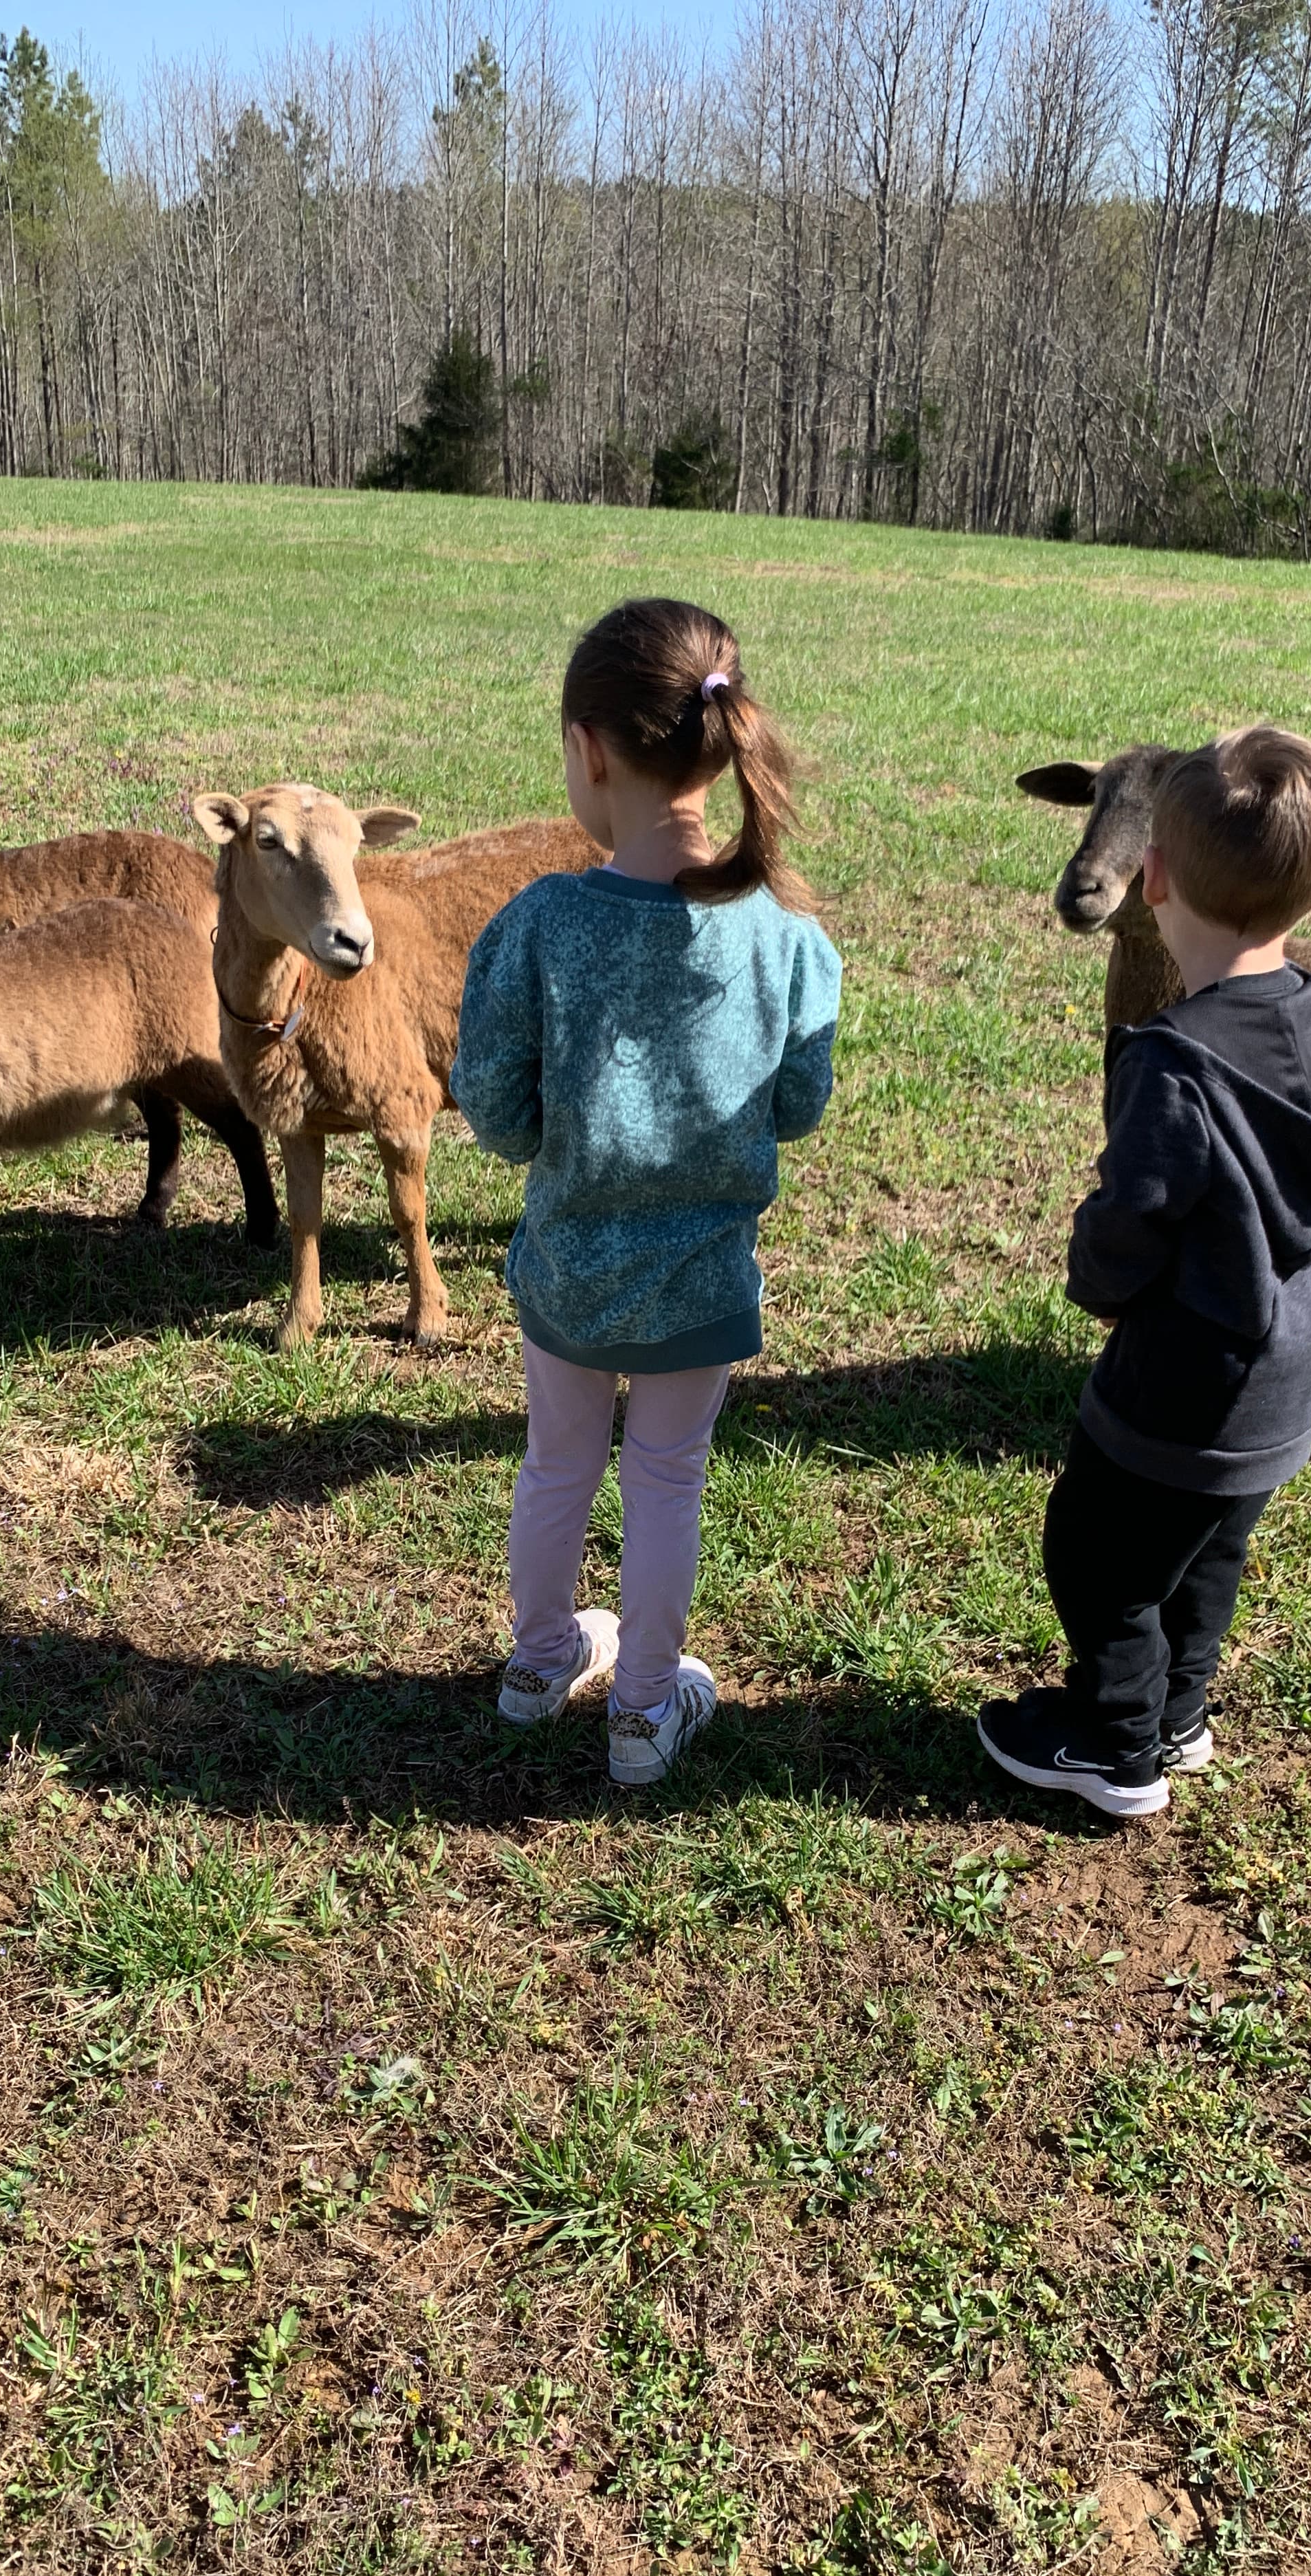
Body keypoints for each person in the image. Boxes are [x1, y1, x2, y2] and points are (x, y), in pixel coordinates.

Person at [978, 725, 1311, 1819]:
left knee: (1099, 1558)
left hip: (1181, 1382)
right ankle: (1181, 1712)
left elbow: (1132, 1224)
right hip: (1288, 1383)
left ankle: (1116, 1743)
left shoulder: (1170, 1060)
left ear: (1155, 877)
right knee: (1210, 1554)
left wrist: (1097, 1277)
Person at [452, 598, 841, 1785]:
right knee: (669, 1481)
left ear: (589, 752)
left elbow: (498, 1116)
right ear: (724, 746)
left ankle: (536, 1664)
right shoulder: (787, 936)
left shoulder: (535, 926)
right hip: (702, 1285)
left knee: (555, 1467)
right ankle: (641, 1713)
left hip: (567, 1272)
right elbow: (799, 1105)